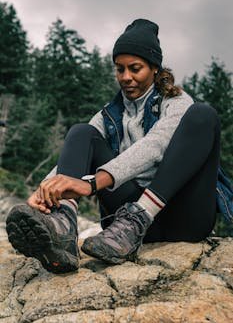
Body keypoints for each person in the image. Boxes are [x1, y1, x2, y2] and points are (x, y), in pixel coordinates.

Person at [6, 19, 220, 274]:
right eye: (120, 69)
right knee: (81, 132)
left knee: (204, 115)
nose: (126, 77)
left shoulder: (177, 102)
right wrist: (45, 191)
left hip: (183, 219)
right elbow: (76, 157)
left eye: (135, 68)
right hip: (122, 229)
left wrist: (94, 183)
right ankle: (63, 227)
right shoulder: (109, 115)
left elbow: (156, 145)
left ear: (154, 68)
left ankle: (139, 217)